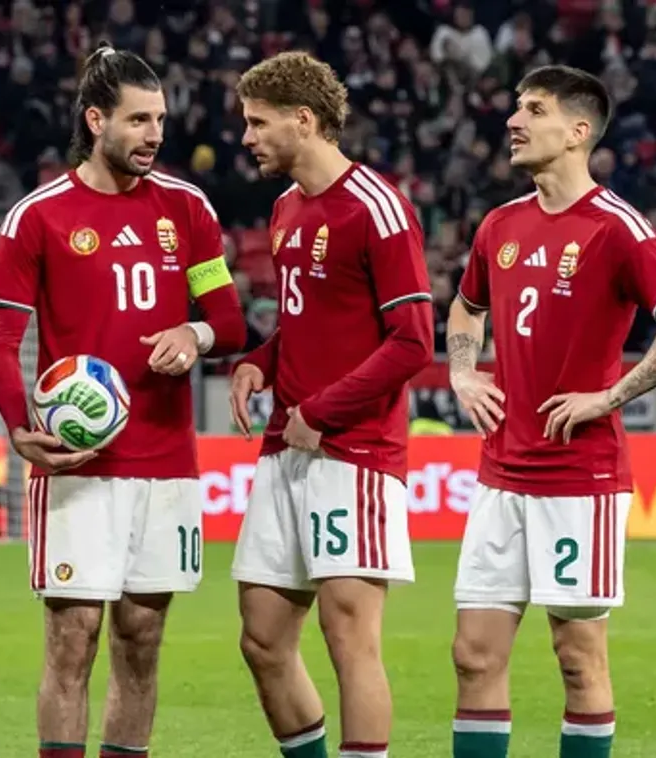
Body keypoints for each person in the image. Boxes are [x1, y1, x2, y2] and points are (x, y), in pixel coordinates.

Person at [0, 44, 246, 758]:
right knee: (72, 639)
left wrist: (193, 332)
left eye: (159, 119)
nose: (154, 134)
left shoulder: (186, 209)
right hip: (79, 466)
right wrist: (19, 427)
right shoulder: (37, 216)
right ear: (95, 120)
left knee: (141, 638)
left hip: (166, 461)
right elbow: (0, 344)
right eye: (137, 120)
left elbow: (229, 322)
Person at [445, 65, 656, 758]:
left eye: (533, 110)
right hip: (501, 472)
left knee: (576, 659)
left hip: (578, 477)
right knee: (473, 655)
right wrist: (462, 372)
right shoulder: (499, 224)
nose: (513, 121)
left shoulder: (614, 227)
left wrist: (609, 395)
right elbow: (466, 307)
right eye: (516, 107)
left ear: (577, 131)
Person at [228, 51, 435, 758]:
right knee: (262, 638)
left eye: (259, 123)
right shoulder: (286, 208)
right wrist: (260, 361)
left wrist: (322, 411)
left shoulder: (376, 207)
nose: (248, 137)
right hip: (288, 445)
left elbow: (413, 340)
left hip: (355, 451)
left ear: (303, 120)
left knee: (349, 635)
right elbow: (307, 320)